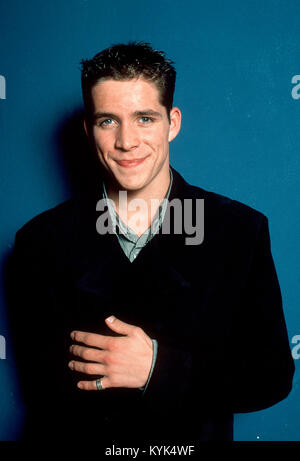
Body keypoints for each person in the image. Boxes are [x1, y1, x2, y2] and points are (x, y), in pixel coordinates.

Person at [10, 42, 294, 443]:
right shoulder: (40, 241)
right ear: (88, 129)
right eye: (109, 121)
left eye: (145, 118)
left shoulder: (239, 231)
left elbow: (272, 377)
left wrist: (158, 370)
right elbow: (44, 389)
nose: (127, 141)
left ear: (172, 123)